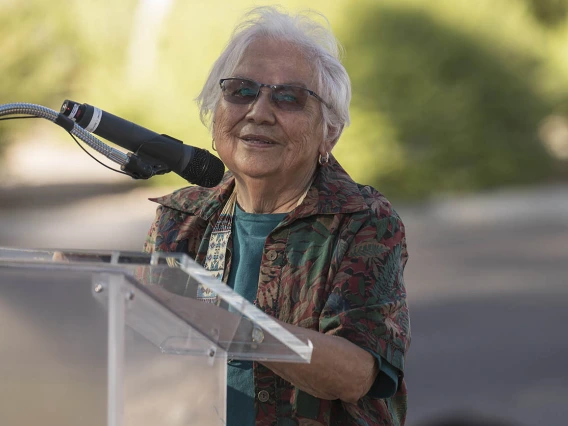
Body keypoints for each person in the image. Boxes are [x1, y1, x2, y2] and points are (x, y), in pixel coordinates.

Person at [144, 6, 410, 426]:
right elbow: (143, 351)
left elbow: (357, 373)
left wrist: (229, 324)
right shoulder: (182, 216)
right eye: (241, 91)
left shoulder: (363, 220)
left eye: (289, 97)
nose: (259, 112)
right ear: (215, 111)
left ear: (330, 132)